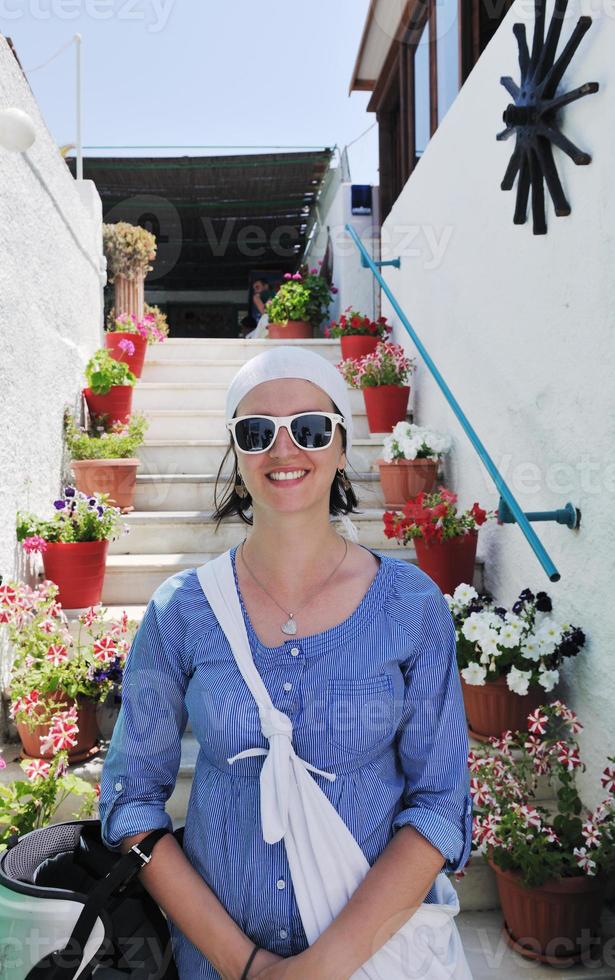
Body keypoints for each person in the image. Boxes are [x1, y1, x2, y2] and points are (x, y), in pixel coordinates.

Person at [98, 346, 473, 979]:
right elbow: (132, 802)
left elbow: (440, 805)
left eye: (309, 428)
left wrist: (315, 970)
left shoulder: (411, 607)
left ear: (341, 443)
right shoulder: (182, 611)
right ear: (235, 452)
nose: (284, 449)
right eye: (256, 432)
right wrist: (245, 966)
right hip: (215, 965)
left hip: (376, 960)